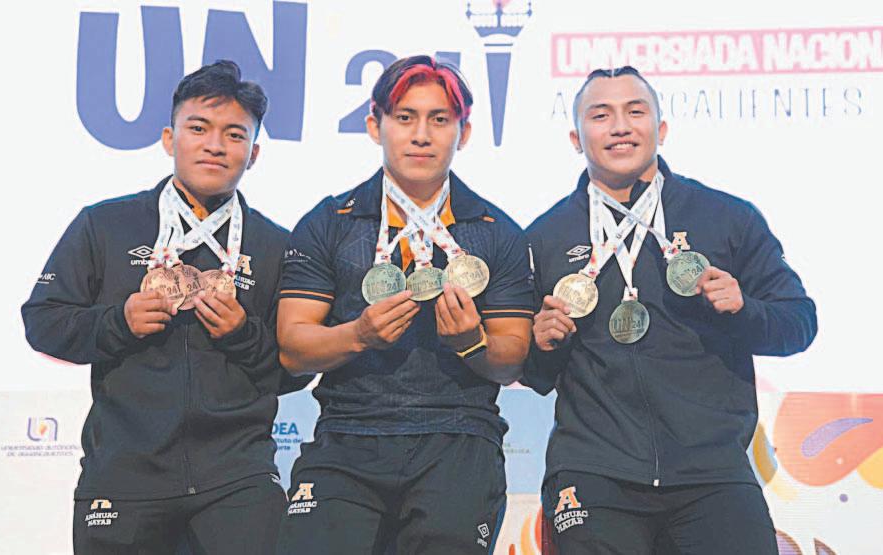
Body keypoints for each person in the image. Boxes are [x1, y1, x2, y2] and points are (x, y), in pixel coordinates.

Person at [524, 66, 818, 554]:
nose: (620, 126)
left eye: (635, 112)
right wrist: (541, 345)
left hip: (711, 472)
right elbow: (533, 374)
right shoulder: (544, 236)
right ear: (576, 138)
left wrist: (744, 310)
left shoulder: (728, 217)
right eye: (601, 115)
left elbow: (799, 324)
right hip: (595, 473)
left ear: (661, 129)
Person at [22, 60, 308, 554]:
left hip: (237, 480)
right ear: (169, 139)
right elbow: (43, 321)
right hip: (124, 476)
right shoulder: (105, 224)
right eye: (198, 128)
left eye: (234, 134)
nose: (215, 145)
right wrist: (118, 322)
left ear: (254, 154)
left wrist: (244, 335)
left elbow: (297, 369)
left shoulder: (276, 245)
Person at [275, 55, 534, 554]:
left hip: (458, 437)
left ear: (464, 132)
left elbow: (512, 360)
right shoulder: (330, 222)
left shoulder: (496, 231)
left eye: (439, 119)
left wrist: (472, 343)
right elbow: (292, 349)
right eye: (405, 117)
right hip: (348, 437)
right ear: (376, 125)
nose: (421, 135)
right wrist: (358, 335)